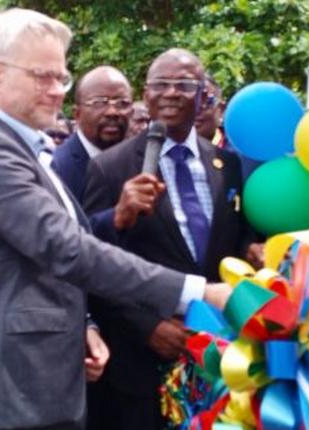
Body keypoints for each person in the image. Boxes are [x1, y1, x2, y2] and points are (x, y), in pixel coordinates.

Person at [0, 9, 231, 430]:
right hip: (11, 379)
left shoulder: (22, 147)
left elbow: (56, 252)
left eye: (61, 77)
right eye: (43, 77)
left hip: (41, 371)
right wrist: (199, 293)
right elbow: (67, 248)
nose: (56, 91)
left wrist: (85, 323)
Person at [82, 49, 261, 430]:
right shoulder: (108, 168)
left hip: (219, 351)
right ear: (145, 97)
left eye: (184, 84)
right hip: (142, 362)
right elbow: (93, 265)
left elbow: (236, 233)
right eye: (160, 84)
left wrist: (251, 247)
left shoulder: (226, 165)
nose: (171, 93)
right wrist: (147, 327)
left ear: (203, 95)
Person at [51, 65, 133, 201]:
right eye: (99, 103)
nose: (112, 112)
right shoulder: (57, 168)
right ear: (77, 114)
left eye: (122, 103)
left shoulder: (143, 161)